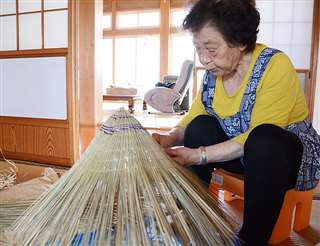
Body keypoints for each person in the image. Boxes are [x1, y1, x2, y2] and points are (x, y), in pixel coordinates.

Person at [152, 0, 320, 245]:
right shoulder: (214, 73)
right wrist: (169, 137)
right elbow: (193, 116)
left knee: (264, 139)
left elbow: (256, 136)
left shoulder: (275, 65)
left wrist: (197, 155)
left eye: (211, 49)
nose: (204, 59)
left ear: (241, 42)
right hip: (238, 152)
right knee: (200, 125)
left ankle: (252, 239)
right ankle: (192, 218)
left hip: (280, 159)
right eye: (198, 48)